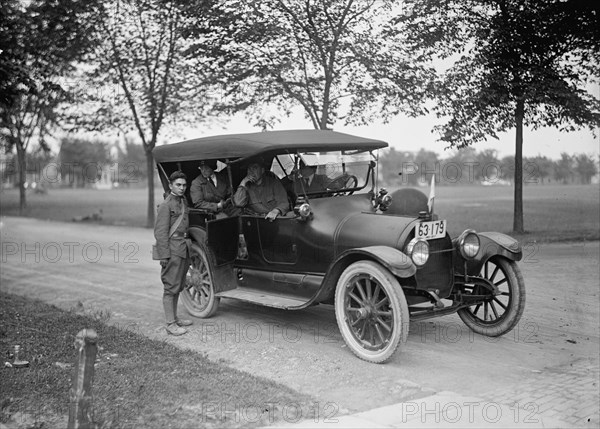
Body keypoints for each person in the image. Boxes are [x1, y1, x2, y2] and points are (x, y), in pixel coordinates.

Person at [154, 171, 193, 336]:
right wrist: (164, 255)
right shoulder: (166, 205)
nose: (182, 188)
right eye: (178, 184)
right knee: (170, 287)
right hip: (172, 250)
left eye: (184, 185)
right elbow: (160, 232)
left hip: (182, 247)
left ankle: (175, 318)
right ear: (170, 186)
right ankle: (170, 324)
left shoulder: (182, 202)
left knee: (178, 285)